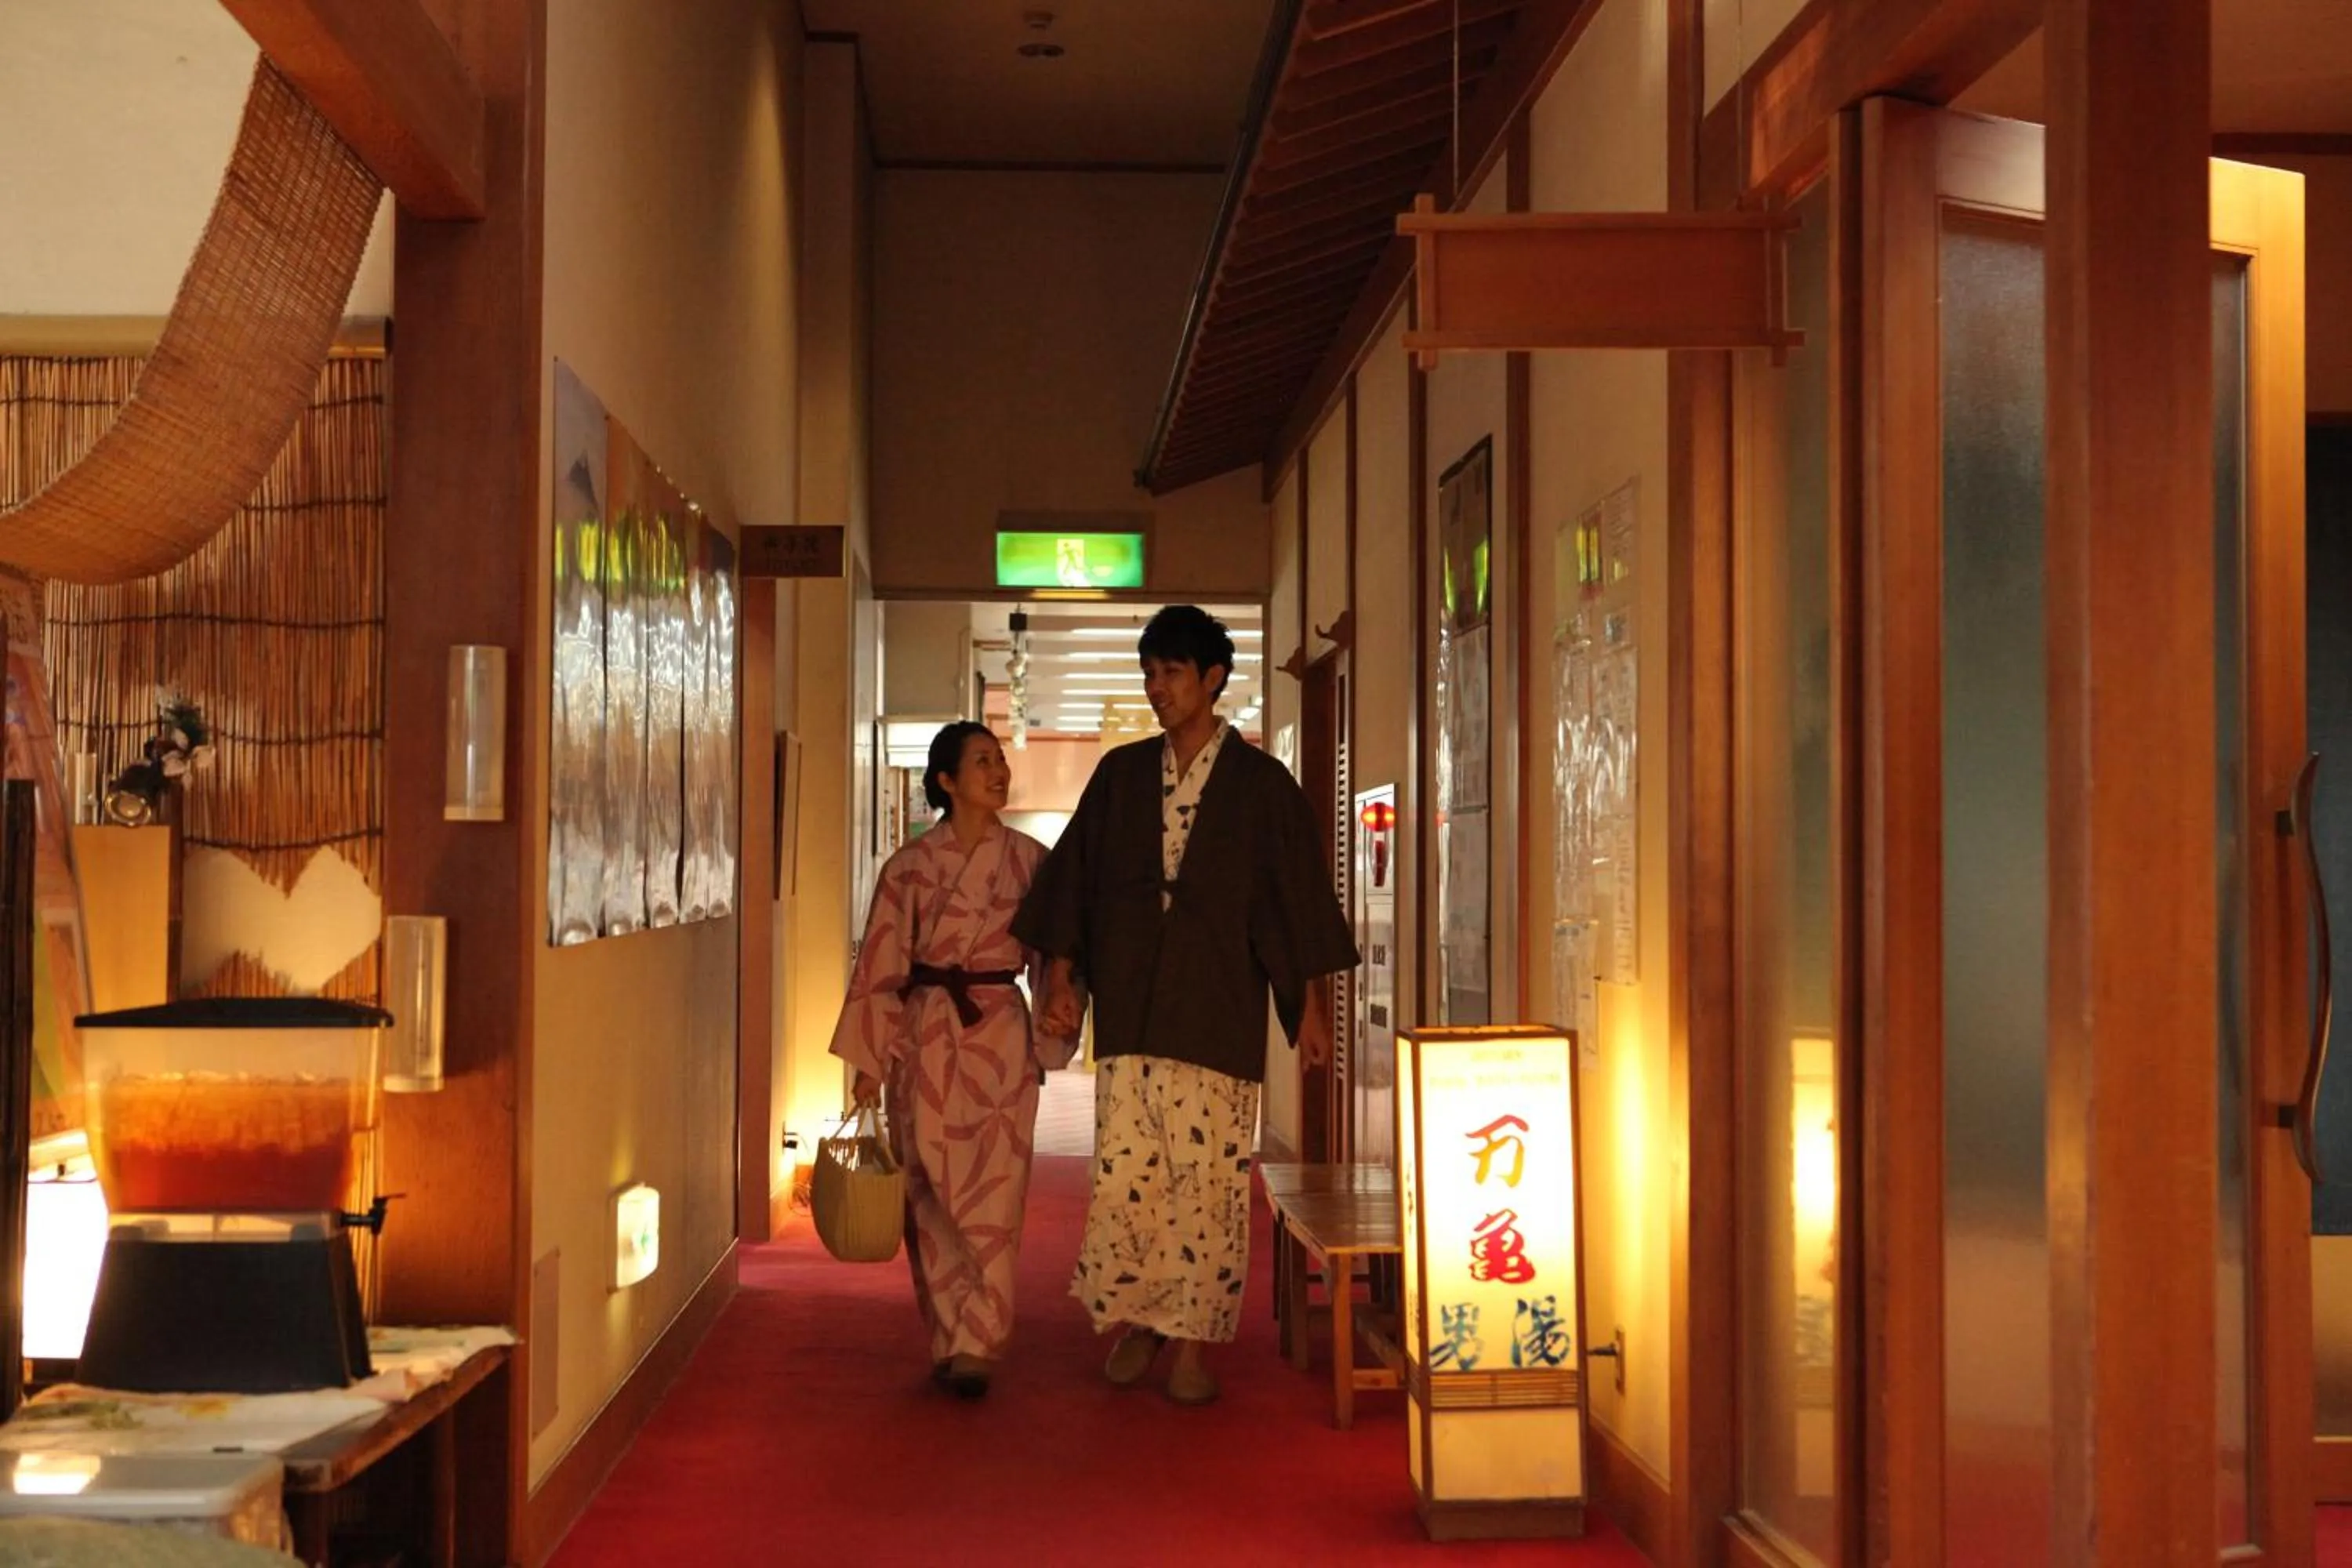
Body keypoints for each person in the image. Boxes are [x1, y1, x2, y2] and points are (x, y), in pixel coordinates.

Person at [1013, 605, 1358, 1406]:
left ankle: (1196, 1340)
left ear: (1212, 679)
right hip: (1134, 1001)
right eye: (1150, 673)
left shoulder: (1262, 786)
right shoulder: (1121, 775)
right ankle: (1143, 1322)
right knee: (1130, 1176)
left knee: (1206, 1185)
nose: (1156, 687)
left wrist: (1309, 1005)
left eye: (1171, 672)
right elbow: (1076, 881)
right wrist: (1061, 977)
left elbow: (1293, 900)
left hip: (1216, 1004)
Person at [828, 720, 1080, 1400]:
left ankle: (978, 1342)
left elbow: (1055, 953)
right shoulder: (908, 868)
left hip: (999, 1034)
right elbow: (880, 963)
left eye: (1000, 760)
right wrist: (869, 1060)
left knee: (997, 1190)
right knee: (929, 1187)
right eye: (982, 762)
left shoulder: (1030, 862)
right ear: (946, 781)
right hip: (927, 1033)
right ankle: (948, 1332)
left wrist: (1058, 1005)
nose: (999, 772)